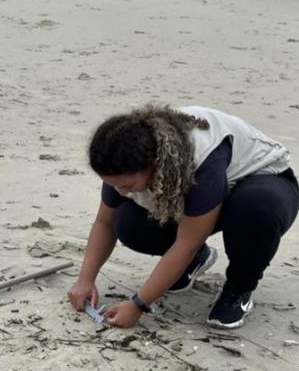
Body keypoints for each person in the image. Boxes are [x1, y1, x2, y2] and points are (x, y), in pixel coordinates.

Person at [68, 104, 298, 329]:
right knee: (128, 221)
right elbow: (104, 223)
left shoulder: (203, 158)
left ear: (153, 165)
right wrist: (85, 279)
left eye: (127, 184)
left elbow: (187, 242)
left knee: (254, 208)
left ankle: (238, 289)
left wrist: (138, 304)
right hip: (205, 188)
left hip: (264, 182)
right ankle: (197, 260)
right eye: (112, 184)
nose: (120, 190)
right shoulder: (120, 160)